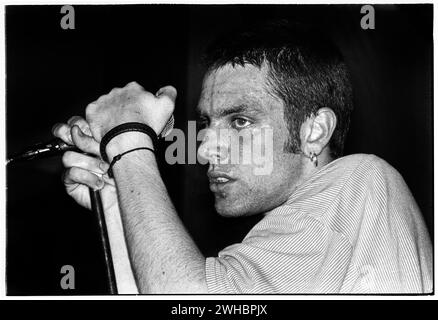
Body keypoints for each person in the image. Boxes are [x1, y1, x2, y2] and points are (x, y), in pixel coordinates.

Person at [52, 20, 432, 294]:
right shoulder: (302, 237)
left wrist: (128, 140)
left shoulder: (359, 181)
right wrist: (118, 200)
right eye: (206, 122)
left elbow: (187, 297)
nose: (202, 149)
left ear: (314, 131)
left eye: (240, 120)